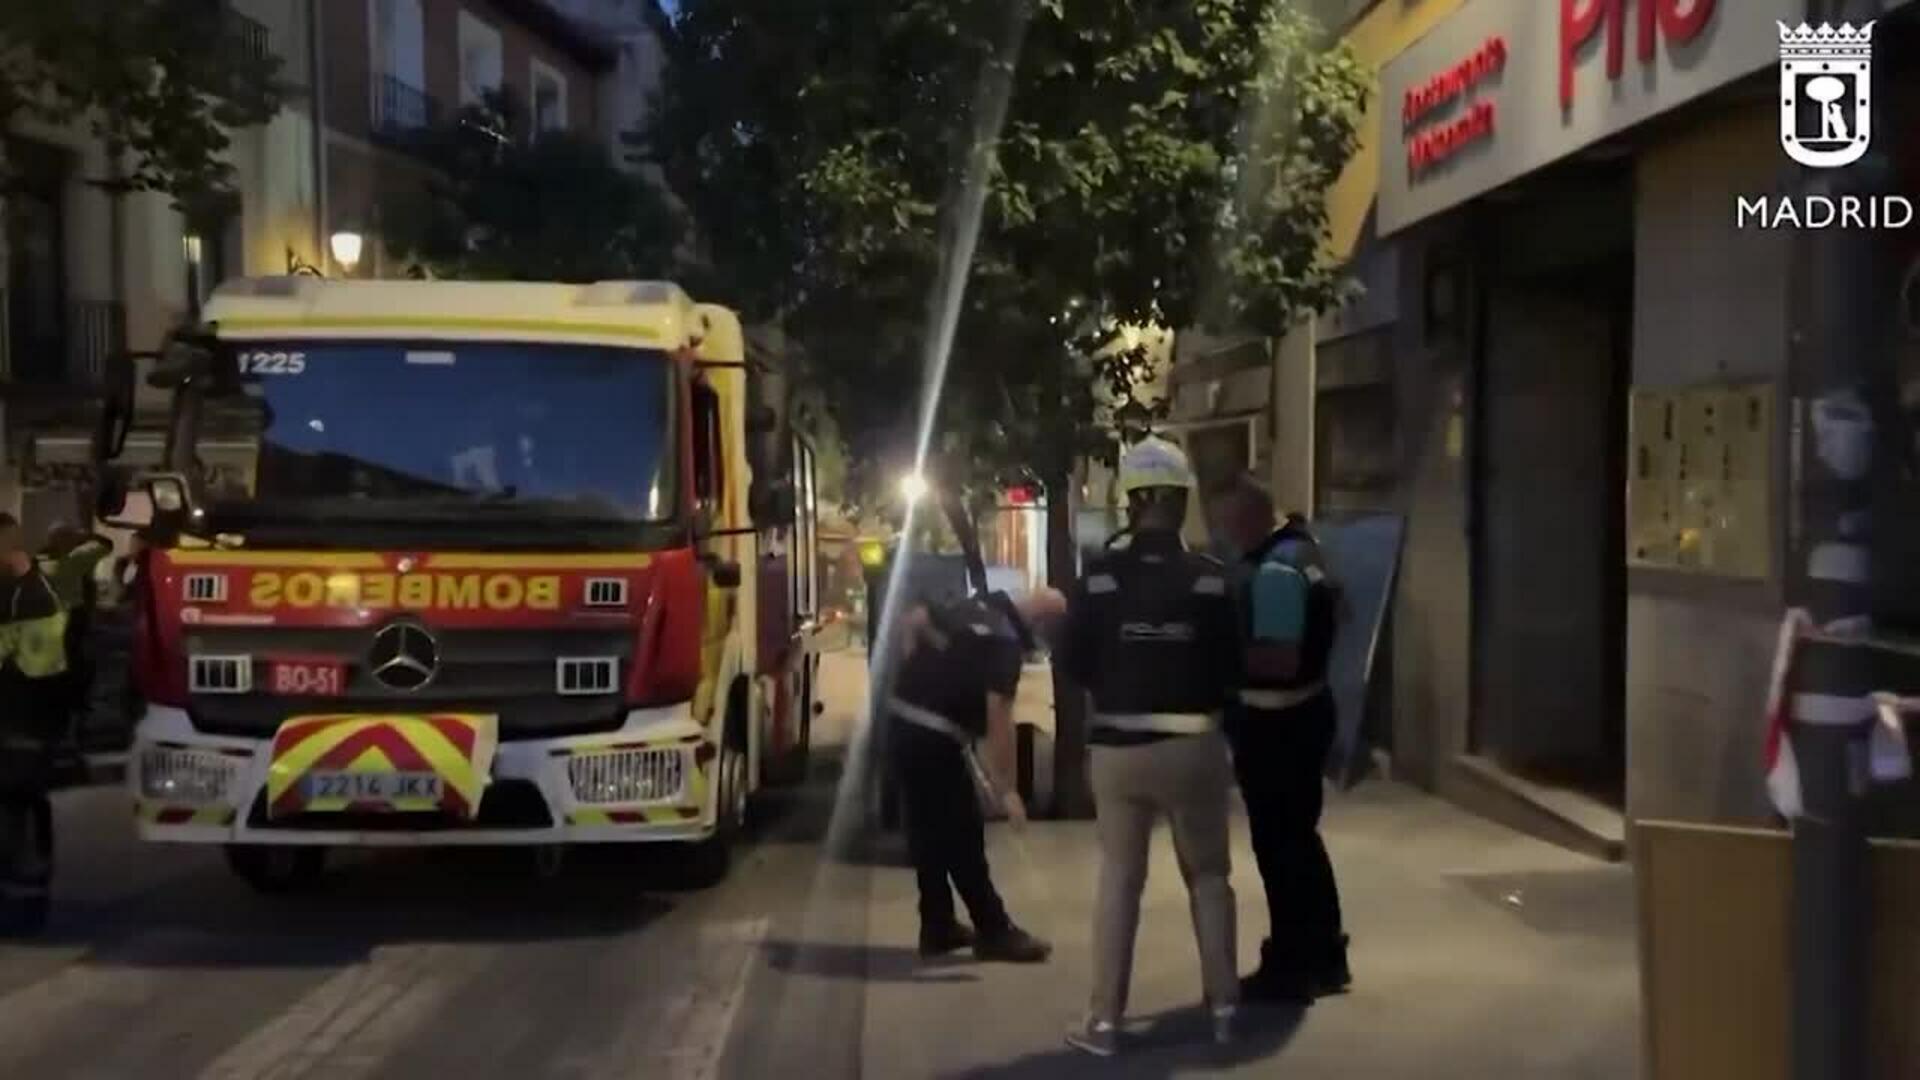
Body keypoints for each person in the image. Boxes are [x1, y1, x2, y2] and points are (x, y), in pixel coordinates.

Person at [1057, 436, 1243, 1057]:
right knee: (1210, 877)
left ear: (1128, 502)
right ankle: (1224, 1013)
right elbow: (1232, 665)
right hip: (1194, 744)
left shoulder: (1100, 577)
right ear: (1182, 499)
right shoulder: (1212, 580)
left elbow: (1072, 660)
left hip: (1118, 746)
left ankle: (1105, 1024)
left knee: (1119, 880)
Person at [1212, 476, 1351, 1002]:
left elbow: (1279, 659)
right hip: (1308, 712)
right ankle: (1327, 955)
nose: (1224, 533)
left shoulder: (1272, 571)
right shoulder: (1305, 553)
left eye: (1227, 522)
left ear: (1249, 518)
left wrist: (1218, 659)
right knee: (1303, 840)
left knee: (1279, 846)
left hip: (1277, 724)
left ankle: (1291, 964)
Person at [886, 586, 1062, 964]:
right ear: (1043, 623)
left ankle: (937, 926)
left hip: (901, 719)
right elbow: (999, 718)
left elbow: (913, 618)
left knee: (927, 834)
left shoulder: (975, 604)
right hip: (933, 735)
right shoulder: (1005, 643)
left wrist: (917, 666)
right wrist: (1009, 790)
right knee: (963, 835)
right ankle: (994, 931)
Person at [0, 512, 70, 935]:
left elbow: (43, 661)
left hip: (22, 724)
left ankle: (25, 904)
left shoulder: (34, 594)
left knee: (19, 814)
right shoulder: (27, 591)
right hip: (20, 723)